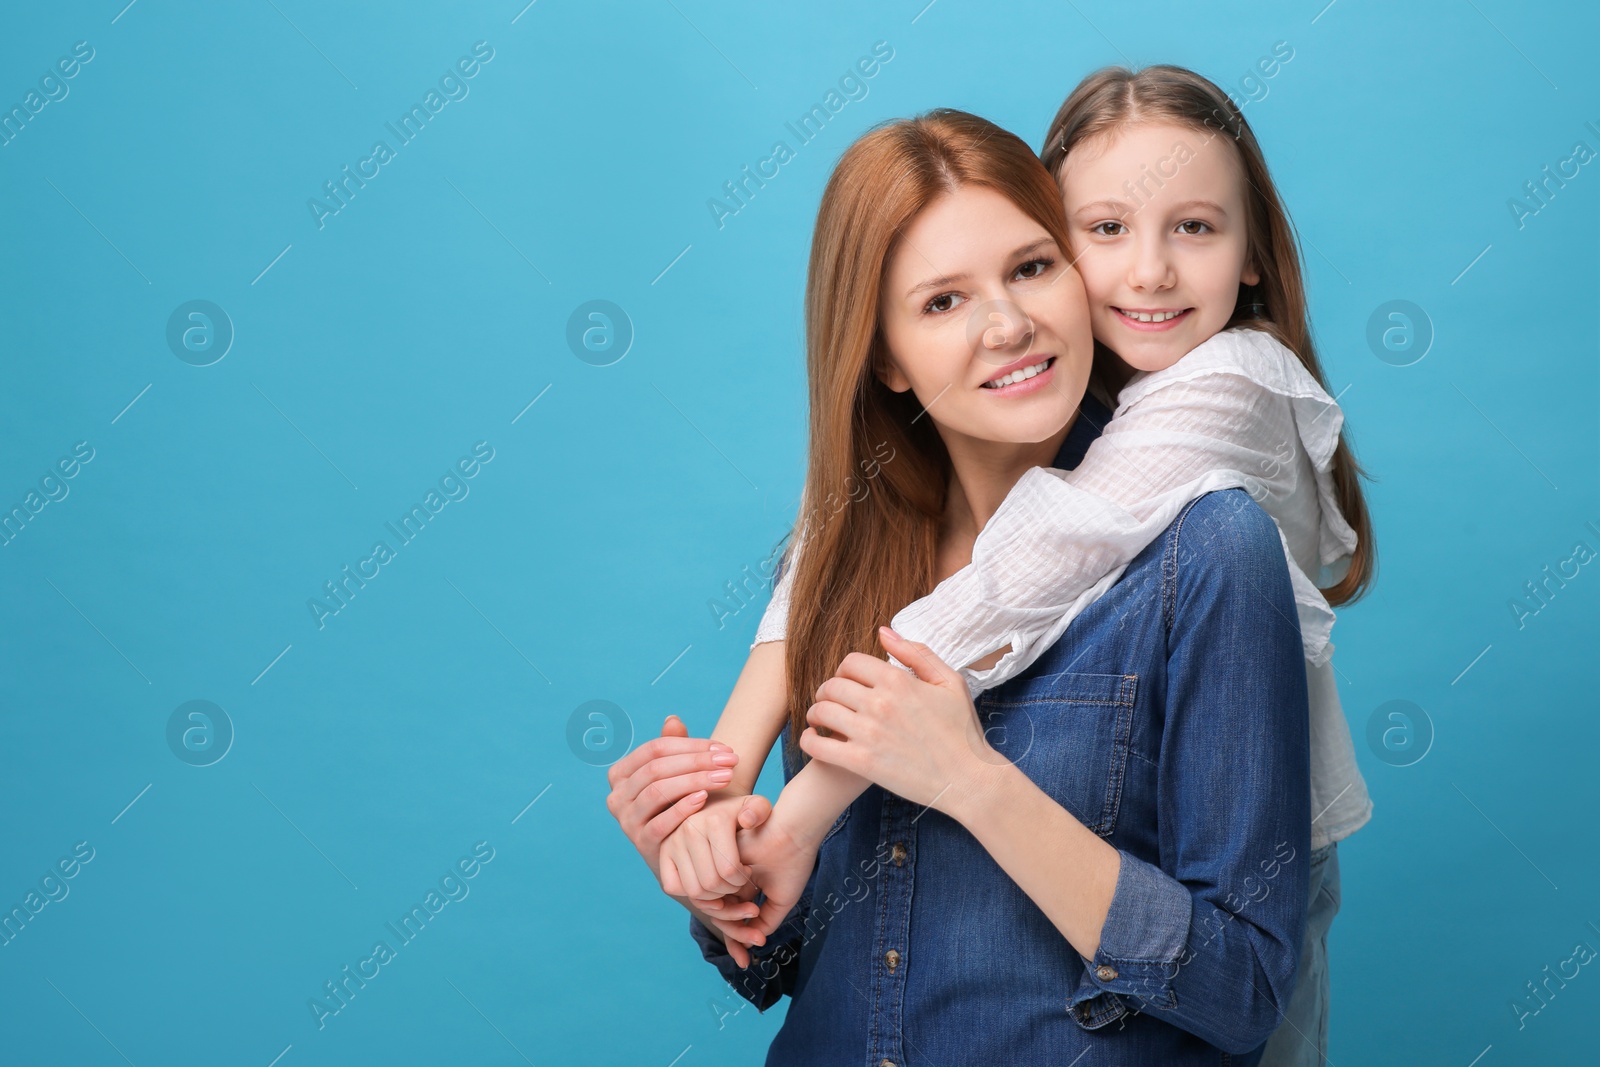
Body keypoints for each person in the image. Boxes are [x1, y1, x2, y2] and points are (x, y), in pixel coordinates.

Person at [610, 106, 1313, 1064]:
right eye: (942, 301)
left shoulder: (1212, 549)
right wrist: (713, 869)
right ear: (886, 358)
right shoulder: (833, 563)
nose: (1010, 324)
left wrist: (976, 783)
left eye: (1031, 267)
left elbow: (1245, 989)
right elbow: (787, 964)